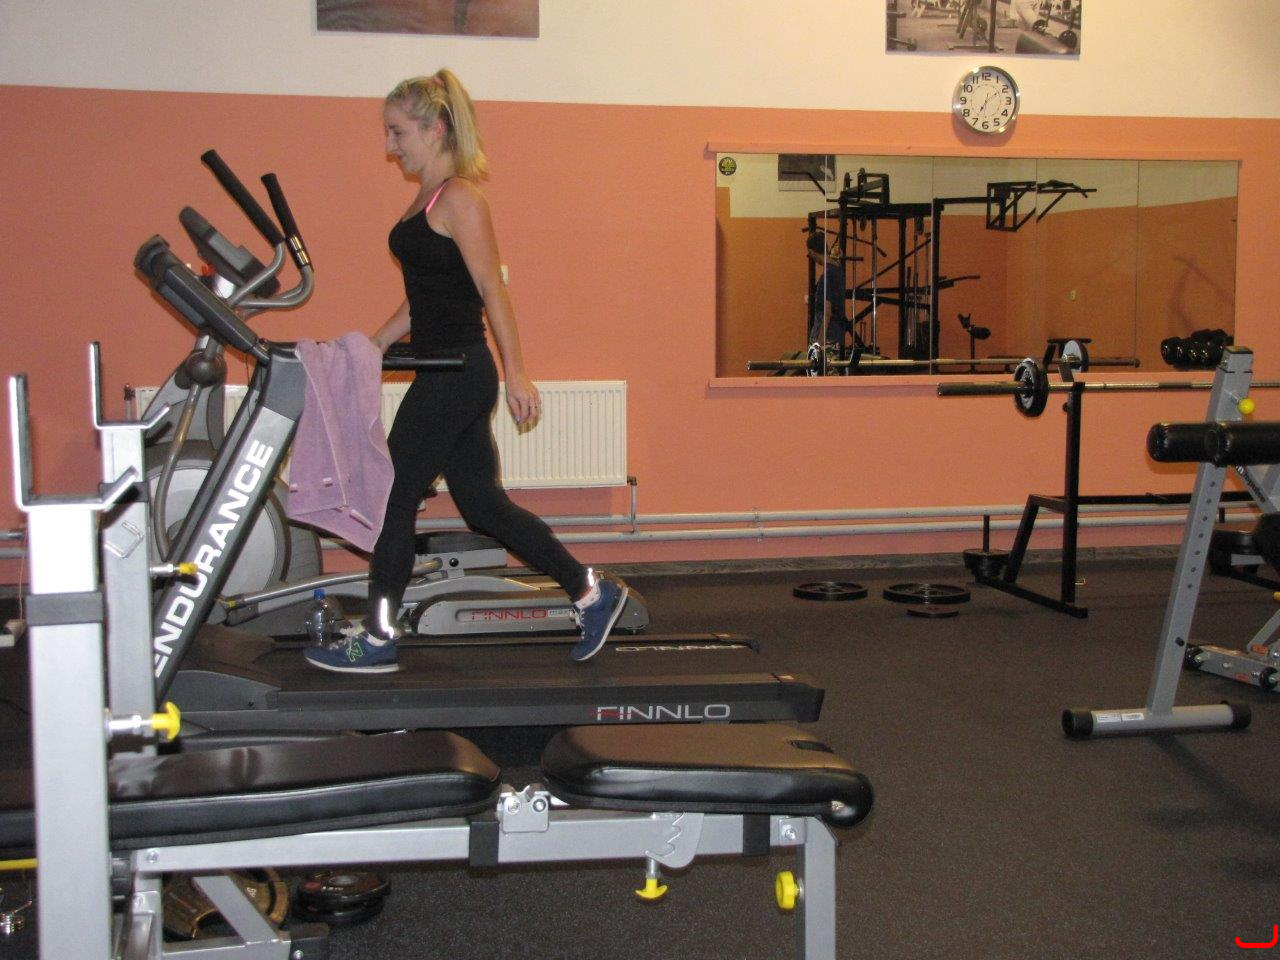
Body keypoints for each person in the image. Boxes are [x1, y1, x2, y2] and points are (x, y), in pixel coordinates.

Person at [305, 69, 629, 674]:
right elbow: (424, 300)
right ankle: (591, 593)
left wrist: (518, 373)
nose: (390, 146)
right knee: (482, 506)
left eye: (398, 132)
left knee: (393, 495)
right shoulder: (426, 199)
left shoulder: (460, 198)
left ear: (434, 128)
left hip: (458, 372)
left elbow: (490, 288)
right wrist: (369, 345)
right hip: (442, 370)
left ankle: (378, 637)